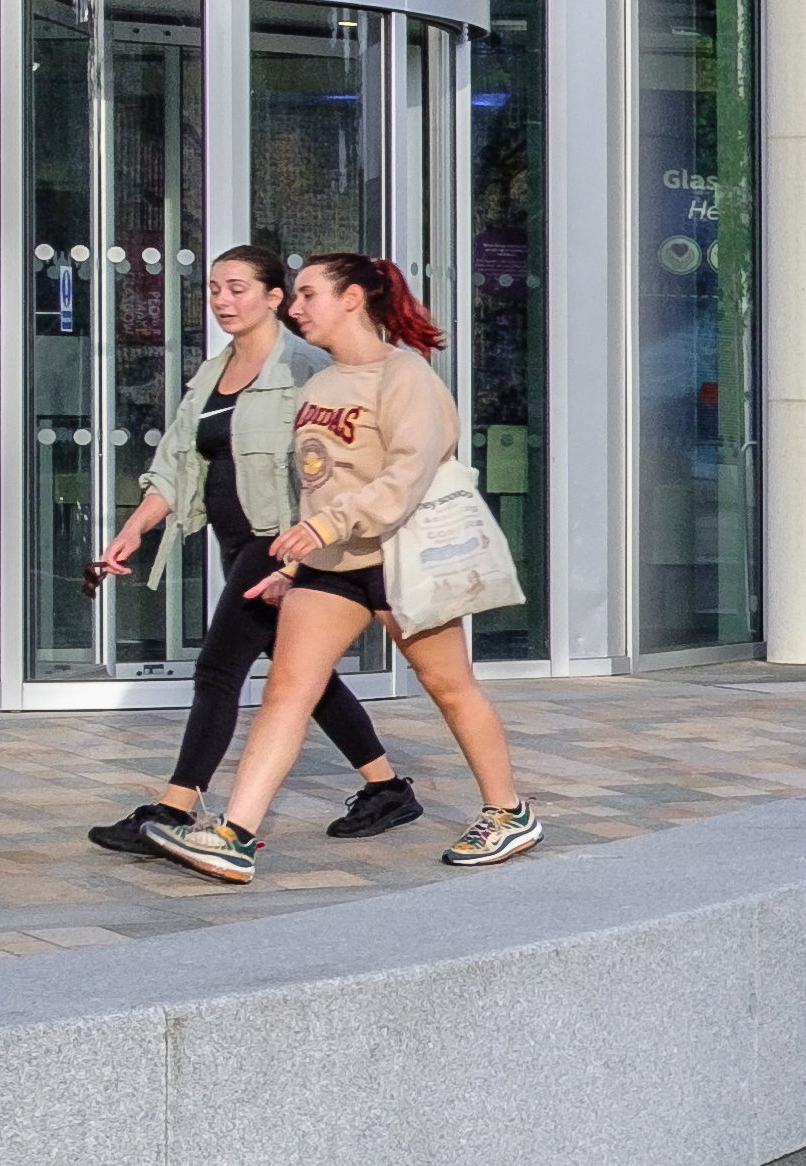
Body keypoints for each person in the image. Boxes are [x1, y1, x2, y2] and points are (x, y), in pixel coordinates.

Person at [162, 253, 537, 882]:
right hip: (331, 565)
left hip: (397, 560)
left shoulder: (405, 376)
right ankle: (236, 834)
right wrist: (301, 557)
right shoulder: (321, 384)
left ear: (353, 298)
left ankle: (508, 811)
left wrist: (326, 527)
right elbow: (318, 482)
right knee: (286, 690)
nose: (298, 307)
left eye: (309, 294)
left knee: (448, 687)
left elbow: (407, 475)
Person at [85, 239, 424, 861]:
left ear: (274, 297)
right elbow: (176, 465)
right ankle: (387, 787)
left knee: (218, 671)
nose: (222, 300)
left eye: (237, 287)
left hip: (282, 542)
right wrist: (135, 528)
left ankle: (173, 809)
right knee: (303, 678)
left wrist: (306, 554)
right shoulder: (211, 374)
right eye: (214, 288)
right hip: (233, 541)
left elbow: (332, 466)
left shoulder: (303, 371)